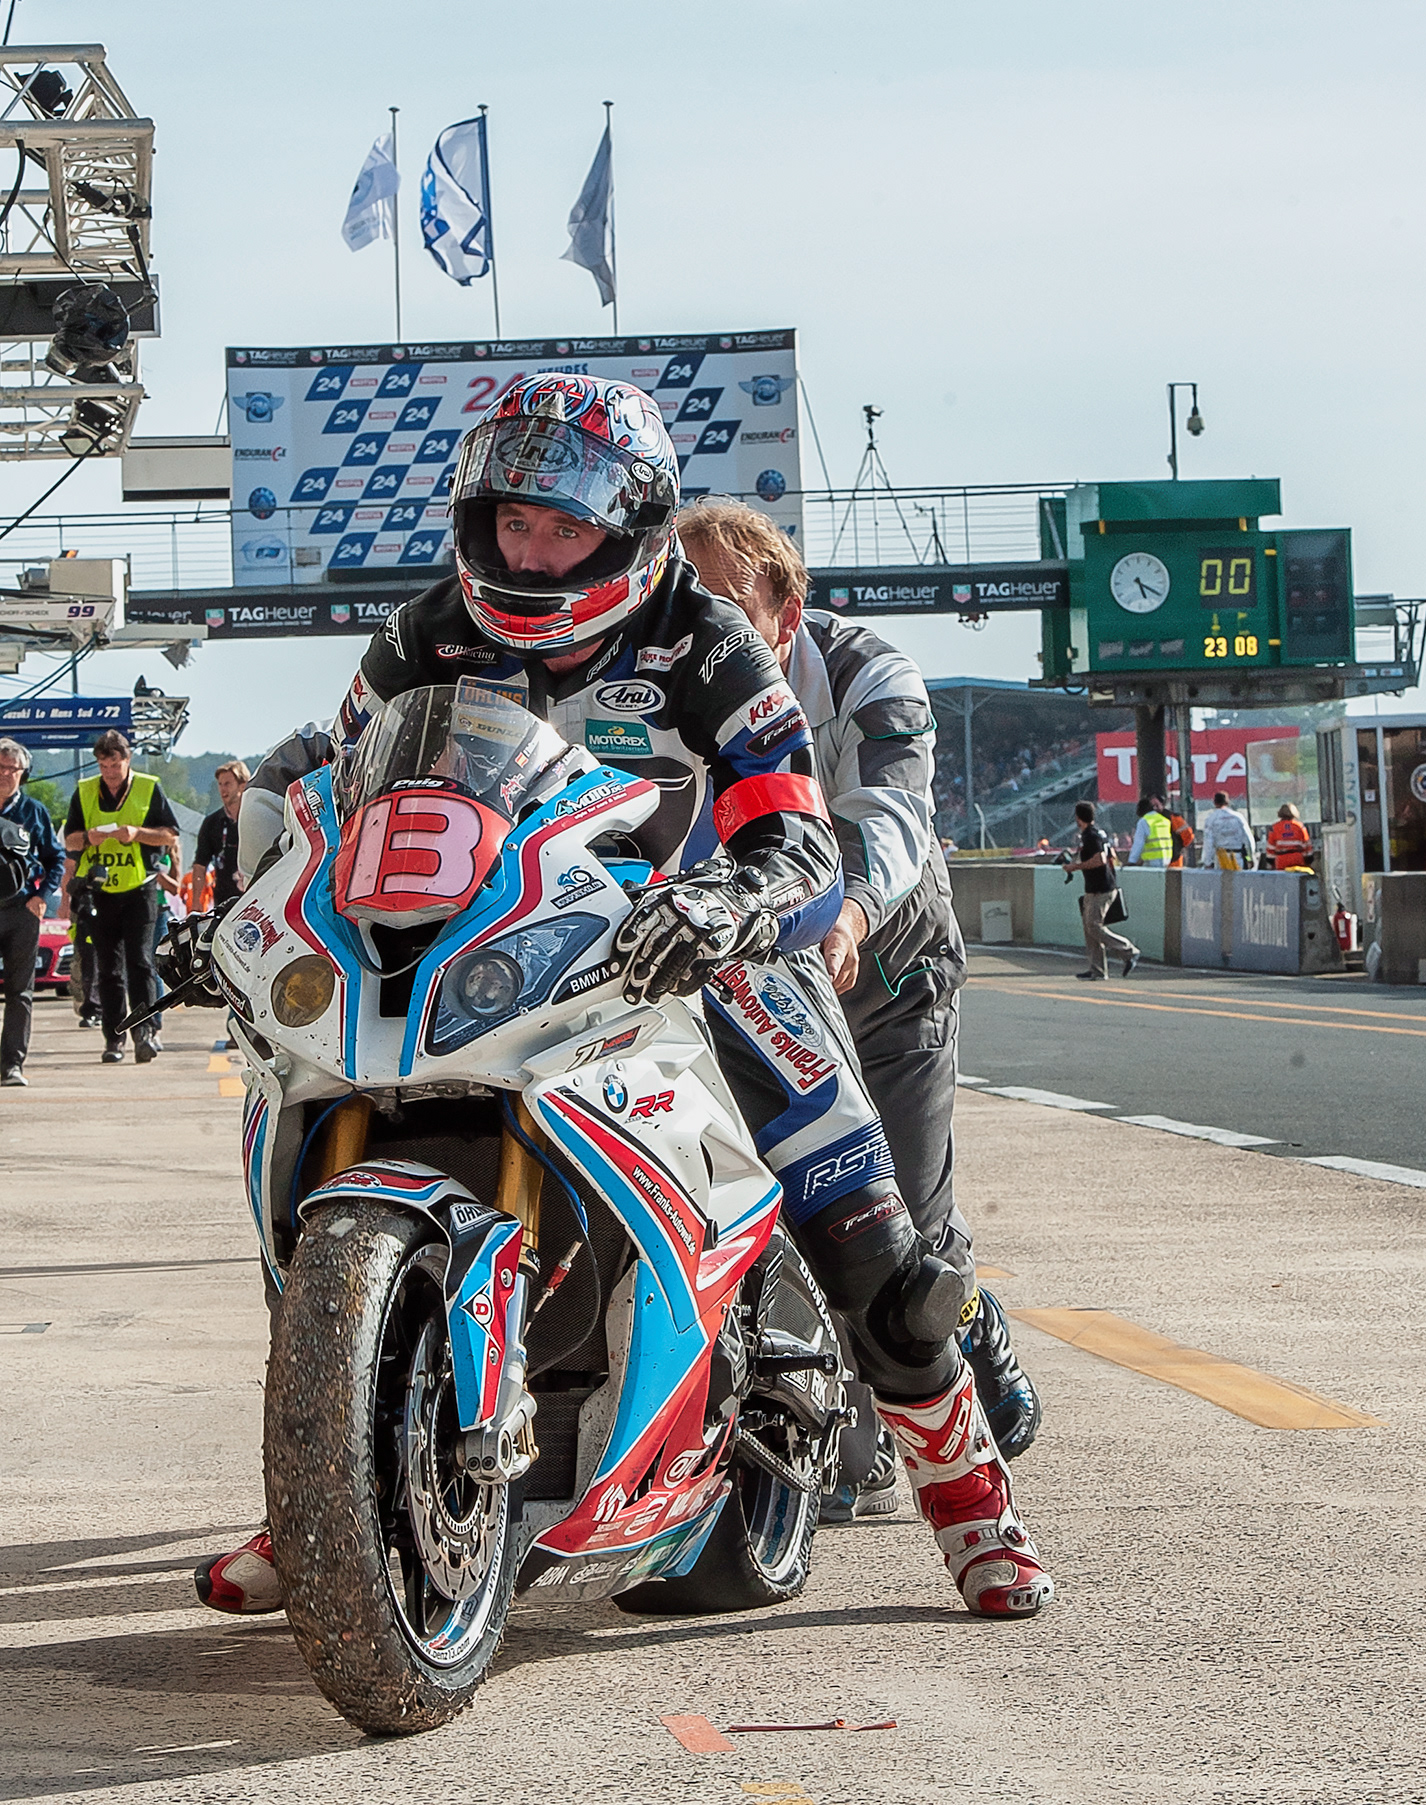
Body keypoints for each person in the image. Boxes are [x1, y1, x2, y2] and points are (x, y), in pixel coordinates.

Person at [201, 375, 1052, 1622]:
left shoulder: (709, 639)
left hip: (697, 945)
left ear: (634, 525)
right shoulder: (421, 633)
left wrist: (731, 903)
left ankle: (970, 1499)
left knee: (871, 1237)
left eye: (565, 527)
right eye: (513, 524)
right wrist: (256, 912)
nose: (533, 552)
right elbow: (340, 795)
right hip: (494, 943)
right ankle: (326, 1484)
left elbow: (801, 836)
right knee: (309, 1130)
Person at [675, 498, 1040, 1495]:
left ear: (783, 606)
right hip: (750, 973)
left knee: (901, 1218)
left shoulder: (869, 670)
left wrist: (850, 911)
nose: (691, 617)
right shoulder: (647, 677)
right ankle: (841, 1425)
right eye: (675, 595)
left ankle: (968, 1330)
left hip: (886, 962)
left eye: (718, 597)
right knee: (784, 1202)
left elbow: (892, 811)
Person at [59, 730, 180, 1064]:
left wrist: (137, 834)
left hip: (139, 887)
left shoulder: (148, 787)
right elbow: (69, 840)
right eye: (103, 765)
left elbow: (170, 835)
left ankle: (146, 1032)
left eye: (114, 764)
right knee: (108, 968)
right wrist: (88, 837)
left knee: (140, 962)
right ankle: (114, 1039)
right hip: (99, 892)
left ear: (127, 760)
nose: (109, 772)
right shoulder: (84, 792)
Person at [0, 737, 64, 1085]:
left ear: (23, 774)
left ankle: (12, 1064)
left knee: (19, 992)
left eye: (13, 769)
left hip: (21, 913)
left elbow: (56, 859)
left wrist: (41, 897)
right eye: (0, 767)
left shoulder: (34, 812)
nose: (6, 774)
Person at [1065, 801, 1139, 981]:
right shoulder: (1098, 833)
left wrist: (1076, 867)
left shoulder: (1090, 836)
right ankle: (1097, 969)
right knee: (1089, 928)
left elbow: (1101, 859)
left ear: (1078, 817)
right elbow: (1112, 855)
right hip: (1097, 886)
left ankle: (1128, 951)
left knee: (1093, 926)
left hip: (1101, 888)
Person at [192, 760, 250, 913]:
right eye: (220, 784)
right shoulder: (212, 822)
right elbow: (200, 864)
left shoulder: (255, 819)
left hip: (253, 897)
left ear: (242, 785)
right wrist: (196, 901)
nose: (223, 790)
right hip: (223, 900)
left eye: (228, 784)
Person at [1202, 790, 1256, 871]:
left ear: (1215, 803)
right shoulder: (1238, 817)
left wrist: (1208, 862)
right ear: (1227, 802)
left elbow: (1208, 842)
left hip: (1221, 858)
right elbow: (1248, 838)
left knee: (1223, 882)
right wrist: (1251, 857)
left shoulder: (1211, 819)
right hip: (1238, 856)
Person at [1127, 795, 1173, 867]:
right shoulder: (1165, 820)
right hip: (1167, 859)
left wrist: (1132, 861)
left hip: (1153, 859)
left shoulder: (1144, 821)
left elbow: (1138, 843)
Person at [1265, 803, 1312, 871]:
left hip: (1281, 859)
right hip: (1297, 858)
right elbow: (1307, 844)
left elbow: (1271, 847)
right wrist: (1308, 859)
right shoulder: (1300, 826)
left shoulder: (1274, 828)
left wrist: (1271, 861)